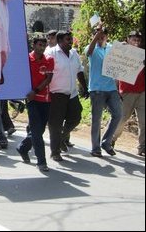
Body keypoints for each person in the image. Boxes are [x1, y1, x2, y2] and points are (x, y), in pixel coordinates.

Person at [45, 30, 89, 161]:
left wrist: (85, 88)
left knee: (76, 117)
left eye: (71, 39)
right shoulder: (51, 54)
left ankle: (62, 137)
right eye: (67, 39)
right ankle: (55, 151)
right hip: (56, 94)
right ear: (59, 41)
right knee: (55, 124)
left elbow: (79, 71)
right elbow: (45, 74)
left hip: (72, 93)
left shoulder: (73, 53)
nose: (70, 42)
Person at [16, 36, 54, 171]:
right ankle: (41, 161)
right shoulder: (26, 59)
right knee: (37, 132)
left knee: (39, 130)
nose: (42, 47)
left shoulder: (49, 60)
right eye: (39, 45)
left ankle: (22, 147)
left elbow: (48, 79)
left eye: (44, 45)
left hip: (45, 99)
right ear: (34, 45)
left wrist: (36, 90)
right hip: (31, 100)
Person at [85, 24, 122, 157]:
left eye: (102, 37)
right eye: (98, 36)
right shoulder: (91, 48)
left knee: (118, 115)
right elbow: (89, 52)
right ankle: (96, 148)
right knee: (97, 119)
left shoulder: (112, 48)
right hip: (97, 90)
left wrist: (125, 48)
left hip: (111, 89)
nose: (100, 39)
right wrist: (96, 35)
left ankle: (106, 142)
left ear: (107, 37)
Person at [112, 31, 145, 156]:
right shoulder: (122, 51)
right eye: (134, 39)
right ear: (128, 39)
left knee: (144, 121)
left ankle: (142, 147)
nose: (136, 42)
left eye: (138, 40)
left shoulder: (142, 55)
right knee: (122, 118)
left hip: (142, 91)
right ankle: (111, 139)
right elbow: (114, 71)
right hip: (127, 91)